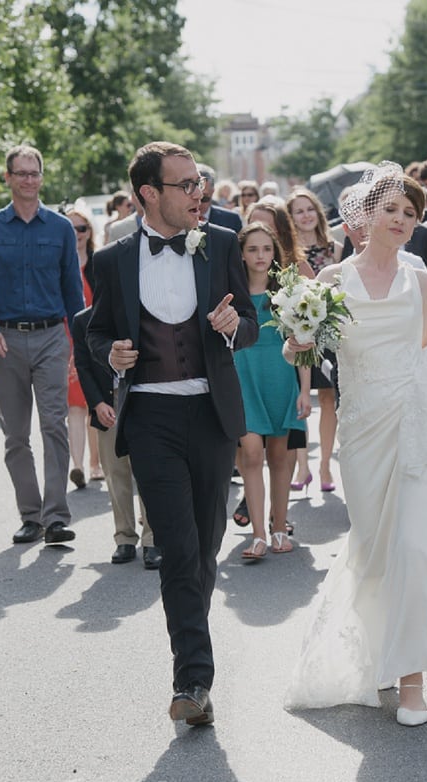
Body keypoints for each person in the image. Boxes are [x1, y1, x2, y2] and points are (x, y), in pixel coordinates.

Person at [284, 163, 427, 726]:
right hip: (362, 429)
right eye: (391, 210)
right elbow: (302, 349)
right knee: (375, 553)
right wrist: (296, 339)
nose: (401, 220)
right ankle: (378, 651)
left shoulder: (420, 281)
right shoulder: (329, 283)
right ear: (365, 216)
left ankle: (412, 681)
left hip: (415, 426)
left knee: (417, 547)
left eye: (410, 213)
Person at [87, 141, 258, 726]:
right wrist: (111, 355)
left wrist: (237, 327)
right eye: (185, 185)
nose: (199, 193)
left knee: (205, 549)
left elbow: (253, 326)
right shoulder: (112, 260)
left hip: (211, 415)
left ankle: (193, 661)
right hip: (152, 417)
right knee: (179, 549)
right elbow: (96, 332)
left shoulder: (223, 245)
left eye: (199, 182)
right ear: (148, 194)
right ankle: (193, 680)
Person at [0, 144, 84, 545]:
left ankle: (56, 517)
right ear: (7, 178)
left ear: (41, 178)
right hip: (5, 340)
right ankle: (30, 516)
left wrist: (79, 340)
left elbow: (72, 289)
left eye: (35, 173)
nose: (29, 179)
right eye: (21, 173)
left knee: (54, 426)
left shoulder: (60, 227)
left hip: (50, 337)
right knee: (15, 436)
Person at [234, 222, 311, 560]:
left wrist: (305, 390)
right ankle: (258, 535)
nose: (260, 255)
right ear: (241, 254)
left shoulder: (288, 294)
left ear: (275, 253)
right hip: (242, 378)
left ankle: (280, 527)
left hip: (281, 377)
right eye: (252, 249)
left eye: (266, 249)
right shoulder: (231, 293)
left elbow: (305, 342)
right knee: (251, 454)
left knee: (280, 456)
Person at [72, 306, 161, 568]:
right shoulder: (82, 321)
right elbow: (83, 365)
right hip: (105, 404)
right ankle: (124, 537)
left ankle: (152, 540)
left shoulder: (137, 312)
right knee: (114, 472)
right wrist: (97, 404)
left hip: (140, 400)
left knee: (148, 471)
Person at [287, 187, 343, 492]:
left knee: (327, 399)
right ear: (291, 217)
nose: (306, 215)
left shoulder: (335, 248)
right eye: (299, 211)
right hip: (296, 330)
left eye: (310, 209)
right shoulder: (286, 251)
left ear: (318, 213)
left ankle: (323, 467)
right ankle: (302, 466)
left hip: (329, 331)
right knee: (299, 399)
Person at [65, 209, 104, 488]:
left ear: (89, 232)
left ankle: (95, 463)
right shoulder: (58, 263)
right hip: (65, 341)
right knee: (74, 408)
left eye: (81, 228)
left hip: (94, 340)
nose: (77, 234)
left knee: (93, 405)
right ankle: (77, 465)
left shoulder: (99, 264)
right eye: (71, 228)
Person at [198, 165, 243, 232]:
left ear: (212, 191)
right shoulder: (179, 220)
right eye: (192, 198)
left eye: (204, 198)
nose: (198, 203)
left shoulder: (231, 219)